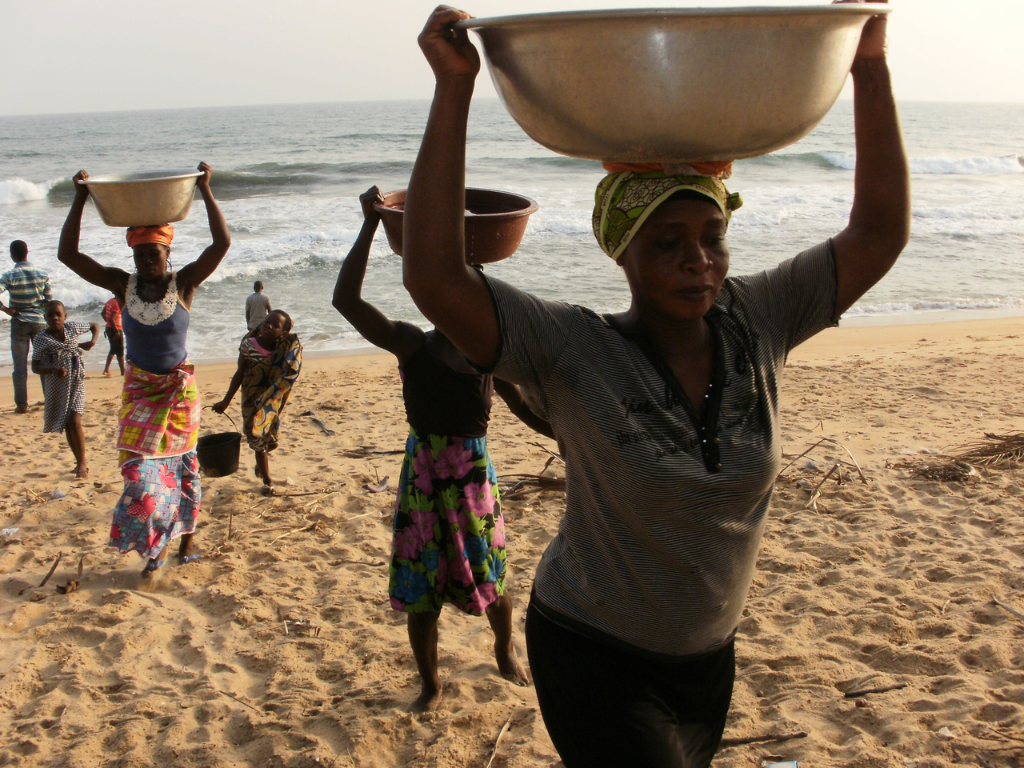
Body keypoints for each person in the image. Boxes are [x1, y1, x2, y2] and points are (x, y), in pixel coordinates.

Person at [400, 3, 909, 765]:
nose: (697, 259)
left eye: (711, 238)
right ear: (622, 253)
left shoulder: (759, 320)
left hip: (708, 662)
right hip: (591, 649)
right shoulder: (574, 349)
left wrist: (867, 65)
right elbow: (436, 276)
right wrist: (454, 90)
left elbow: (877, 232)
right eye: (667, 243)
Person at [333, 186, 554, 712]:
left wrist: (564, 435)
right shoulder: (413, 342)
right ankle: (431, 685)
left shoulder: (487, 350)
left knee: (490, 572)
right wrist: (368, 224)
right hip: (424, 475)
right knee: (420, 586)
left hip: (473, 476)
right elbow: (345, 301)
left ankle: (504, 651)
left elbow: (522, 406)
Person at [58, 161, 231, 582]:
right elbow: (68, 255)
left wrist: (206, 189)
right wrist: (80, 197)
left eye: (153, 253)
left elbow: (221, 244)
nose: (147, 261)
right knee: (139, 478)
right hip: (139, 392)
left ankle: (181, 542)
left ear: (167, 253)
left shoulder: (184, 284)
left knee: (184, 468)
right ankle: (155, 542)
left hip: (178, 393)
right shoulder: (123, 285)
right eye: (139, 254)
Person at [212, 310, 302, 496]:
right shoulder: (248, 345)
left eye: (275, 325)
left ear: (283, 333)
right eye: (267, 321)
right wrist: (226, 401)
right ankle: (267, 481)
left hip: (271, 402)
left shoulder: (283, 350)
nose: (268, 326)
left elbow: (289, 371)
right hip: (251, 401)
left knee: (271, 442)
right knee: (257, 439)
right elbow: (239, 374)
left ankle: (261, 462)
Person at [31, 300, 99, 478]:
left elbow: (95, 325)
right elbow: (35, 367)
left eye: (58, 315)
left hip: (76, 380)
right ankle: (78, 462)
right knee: (68, 422)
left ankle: (83, 463)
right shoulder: (41, 339)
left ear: (65, 316)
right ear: (45, 318)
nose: (54, 318)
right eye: (50, 315)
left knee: (75, 420)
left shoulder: (72, 329)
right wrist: (52, 370)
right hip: (56, 385)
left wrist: (92, 342)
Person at [0, 240, 53, 413]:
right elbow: (49, 302)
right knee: (44, 363)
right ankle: (49, 400)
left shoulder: (9, 275)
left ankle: (22, 405)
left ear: (12, 255)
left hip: (19, 322)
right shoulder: (42, 274)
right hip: (39, 322)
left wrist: (6, 310)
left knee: (20, 366)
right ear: (27, 252)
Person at [101, 294, 125, 376]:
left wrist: (108, 323)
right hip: (116, 329)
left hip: (109, 328)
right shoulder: (117, 303)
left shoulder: (110, 301)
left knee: (115, 349)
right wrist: (117, 331)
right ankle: (122, 371)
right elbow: (112, 319)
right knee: (119, 350)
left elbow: (103, 313)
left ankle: (109, 370)